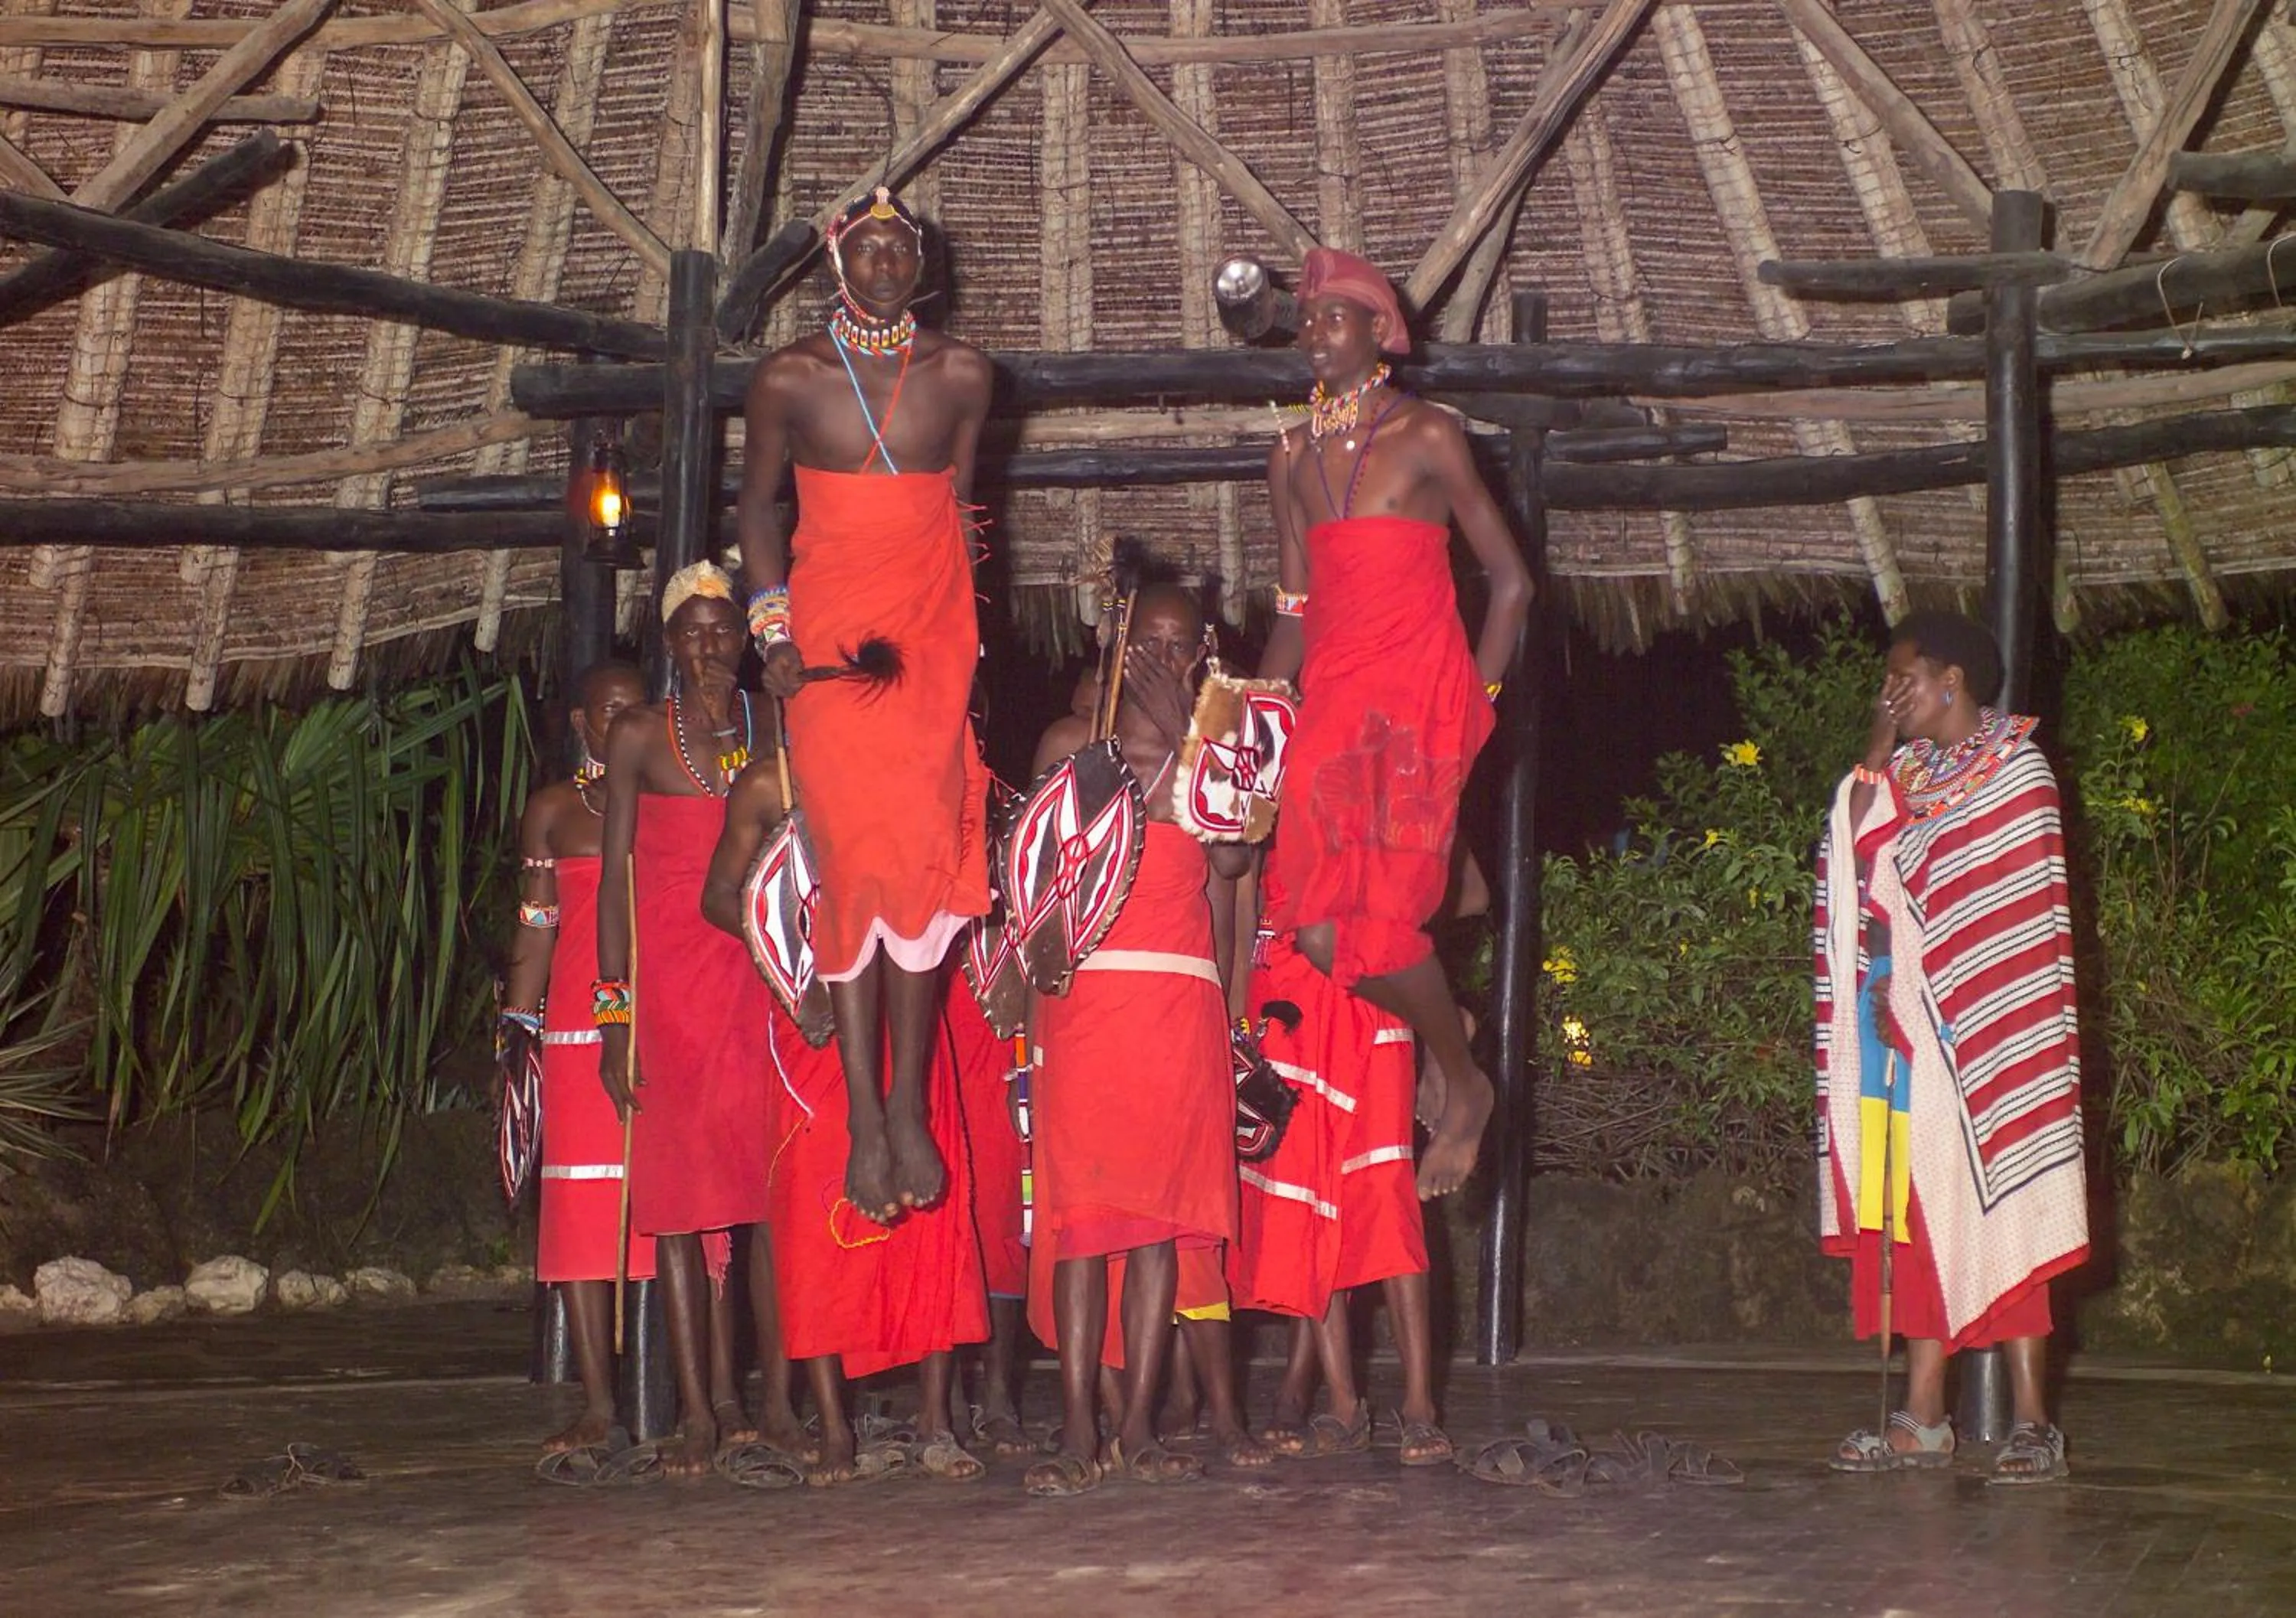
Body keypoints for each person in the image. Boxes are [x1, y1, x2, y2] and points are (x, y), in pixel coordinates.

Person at [735, 184, 995, 1228]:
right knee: (849, 858)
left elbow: (965, 512)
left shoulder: (965, 376)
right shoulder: (788, 376)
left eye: (904, 248)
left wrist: (975, 659)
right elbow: (757, 504)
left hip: (930, 641)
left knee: (930, 854)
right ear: (838, 259)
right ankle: (861, 1115)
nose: (887, 263)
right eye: (870, 246)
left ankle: (908, 1102)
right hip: (832, 644)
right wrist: (770, 631)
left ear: (923, 265)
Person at [1258, 246, 1532, 1201]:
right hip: (1330, 710)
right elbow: (1294, 607)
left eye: (1335, 314)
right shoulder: (1288, 455)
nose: (1313, 329)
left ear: (1382, 332)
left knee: (1376, 917)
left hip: (1417, 712)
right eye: (1307, 316)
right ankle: (1455, 1048)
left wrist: (1475, 707)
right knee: (1317, 931)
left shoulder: (1428, 434)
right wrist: (1249, 714)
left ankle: (1461, 1086)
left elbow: (1512, 584)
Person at [1816, 612, 2088, 1484]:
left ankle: (2033, 1421)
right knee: (1916, 1213)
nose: (1891, 691)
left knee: (2005, 1206)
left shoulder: (2017, 768)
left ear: (1954, 679)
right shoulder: (1903, 770)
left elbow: (2010, 910)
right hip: (1900, 1027)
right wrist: (1880, 733)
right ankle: (1926, 1414)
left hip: (1994, 1032)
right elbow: (1851, 836)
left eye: (1904, 678)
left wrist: (1946, 993)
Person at [700, 748, 990, 1486]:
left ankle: (937, 1419)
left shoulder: (915, 765)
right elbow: (720, 894)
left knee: (930, 1218)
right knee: (813, 1215)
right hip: (818, 1021)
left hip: (909, 1015)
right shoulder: (769, 784)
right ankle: (832, 1428)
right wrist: (794, 975)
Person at [1019, 586, 1250, 1497]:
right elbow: (1033, 884)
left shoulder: (1225, 743)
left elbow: (1234, 858)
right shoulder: (1069, 747)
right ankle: (1078, 1424)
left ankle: (1142, 1422)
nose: (1160, 658)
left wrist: (1188, 744)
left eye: (1176, 645)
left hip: (1182, 1003)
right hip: (1089, 1003)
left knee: (1158, 1225)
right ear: (1118, 642)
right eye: (1144, 643)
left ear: (1203, 651)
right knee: (1083, 1221)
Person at [595, 564, 802, 1477]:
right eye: (693, 632)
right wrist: (613, 1017)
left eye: (724, 630)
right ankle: (695, 1408)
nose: (711, 646)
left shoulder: (776, 721)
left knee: (770, 1199)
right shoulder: (639, 733)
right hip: (672, 994)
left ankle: (774, 1398)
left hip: (764, 980)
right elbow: (611, 885)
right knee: (679, 1209)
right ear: (669, 641)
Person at [500, 660, 657, 1455]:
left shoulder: (673, 793)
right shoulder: (555, 810)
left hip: (662, 1022)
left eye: (636, 709)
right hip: (574, 1030)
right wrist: (517, 1021)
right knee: (583, 1219)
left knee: (672, 1209)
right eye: (609, 710)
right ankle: (601, 1404)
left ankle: (693, 1396)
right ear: (583, 724)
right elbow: (538, 922)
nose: (622, 721)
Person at [945, 981, 1034, 1457]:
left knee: (1000, 1217)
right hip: (940, 1021)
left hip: (1004, 1034)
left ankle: (998, 1396)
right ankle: (948, 1399)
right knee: (944, 1226)